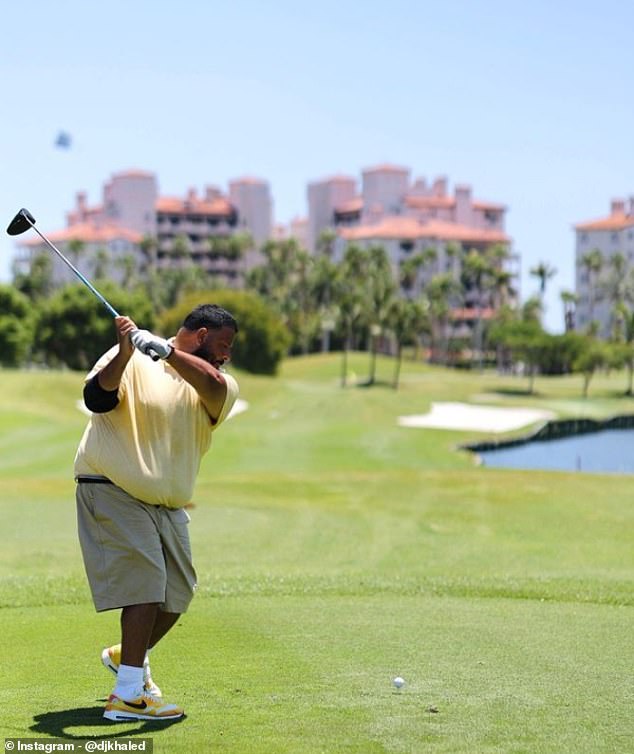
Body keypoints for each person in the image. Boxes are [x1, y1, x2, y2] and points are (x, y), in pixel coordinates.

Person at [74, 304, 239, 722]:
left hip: (165, 504)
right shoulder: (128, 357)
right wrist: (126, 354)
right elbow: (96, 397)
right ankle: (128, 694)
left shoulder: (215, 383)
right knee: (147, 584)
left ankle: (125, 655)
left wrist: (164, 353)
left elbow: (216, 384)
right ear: (201, 334)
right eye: (223, 345)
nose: (226, 356)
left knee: (177, 592)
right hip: (112, 485)